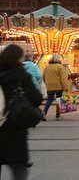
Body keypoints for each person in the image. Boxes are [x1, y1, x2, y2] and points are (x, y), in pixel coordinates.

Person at [0, 44, 43, 180]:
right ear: (19, 58)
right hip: (14, 128)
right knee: (19, 170)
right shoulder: (20, 74)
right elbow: (36, 98)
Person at [43, 53, 69, 120]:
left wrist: (46, 83)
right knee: (58, 100)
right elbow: (63, 79)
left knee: (49, 100)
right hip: (58, 86)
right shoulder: (60, 67)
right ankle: (58, 115)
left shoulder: (47, 67)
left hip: (49, 86)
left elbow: (43, 76)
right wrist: (65, 87)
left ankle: (44, 113)